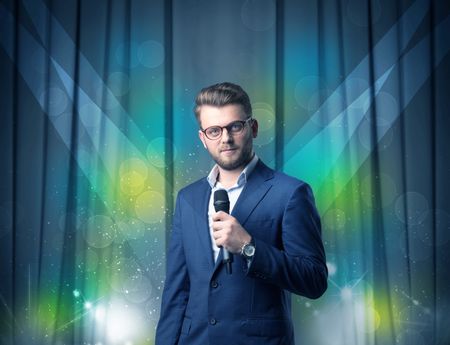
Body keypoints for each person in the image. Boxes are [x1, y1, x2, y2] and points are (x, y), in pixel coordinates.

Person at [155, 82, 327, 345]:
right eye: (214, 130)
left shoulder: (291, 193)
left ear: (252, 128)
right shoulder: (187, 199)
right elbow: (177, 291)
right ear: (203, 138)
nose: (225, 138)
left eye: (234, 126)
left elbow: (313, 280)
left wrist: (249, 247)